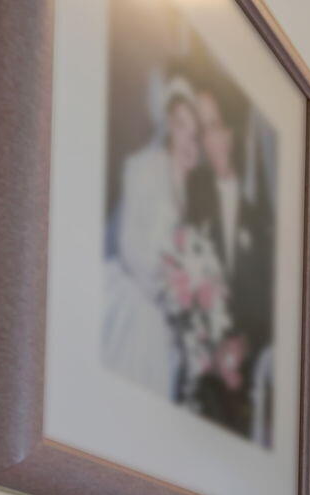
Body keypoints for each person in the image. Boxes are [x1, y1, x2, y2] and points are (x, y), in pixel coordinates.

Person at [101, 74, 205, 400]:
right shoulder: (141, 167)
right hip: (136, 294)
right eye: (179, 124)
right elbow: (129, 243)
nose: (185, 134)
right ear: (168, 125)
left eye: (192, 128)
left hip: (166, 313)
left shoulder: (192, 188)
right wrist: (161, 287)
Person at [187, 85, 274, 441]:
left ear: (232, 133)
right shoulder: (192, 198)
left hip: (246, 353)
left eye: (217, 126)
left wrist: (244, 344)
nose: (212, 139)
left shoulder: (259, 217)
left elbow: (267, 297)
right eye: (203, 131)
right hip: (201, 344)